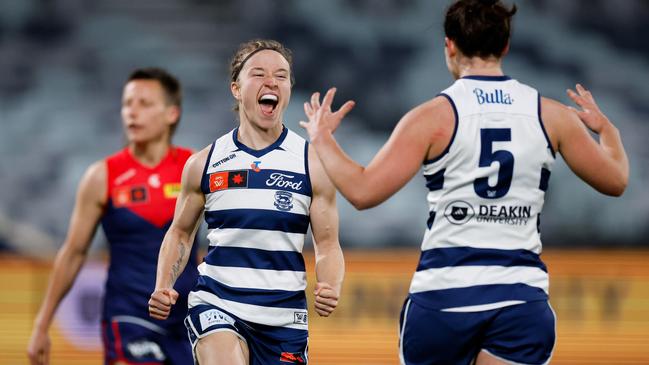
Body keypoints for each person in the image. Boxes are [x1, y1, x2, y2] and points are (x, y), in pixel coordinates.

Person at [299, 0, 629, 364]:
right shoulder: (552, 115)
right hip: (519, 297)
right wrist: (608, 130)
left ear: (450, 45)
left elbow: (362, 192)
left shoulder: (431, 117)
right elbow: (616, 181)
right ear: (504, 46)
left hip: (444, 297)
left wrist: (322, 139)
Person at [148, 39, 344, 365]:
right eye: (259, 74)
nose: (271, 82)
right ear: (236, 89)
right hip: (217, 303)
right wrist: (162, 286)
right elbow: (180, 233)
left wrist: (330, 284)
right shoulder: (204, 163)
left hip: (283, 319)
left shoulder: (313, 164)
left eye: (281, 76)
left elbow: (327, 244)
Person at [27, 67, 199, 365]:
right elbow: (74, 252)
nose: (132, 112)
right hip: (128, 316)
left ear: (172, 113)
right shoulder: (103, 176)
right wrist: (42, 325)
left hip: (188, 321)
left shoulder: (193, 167)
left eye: (144, 104)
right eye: (127, 103)